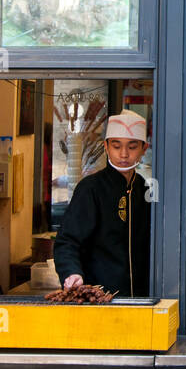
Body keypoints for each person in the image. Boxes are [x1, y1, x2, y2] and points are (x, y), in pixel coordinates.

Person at [53, 110, 151, 297]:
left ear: (143, 149)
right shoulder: (91, 189)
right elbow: (67, 241)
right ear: (106, 147)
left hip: (141, 297)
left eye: (132, 147)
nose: (123, 154)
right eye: (116, 146)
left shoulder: (143, 188)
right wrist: (72, 272)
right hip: (99, 297)